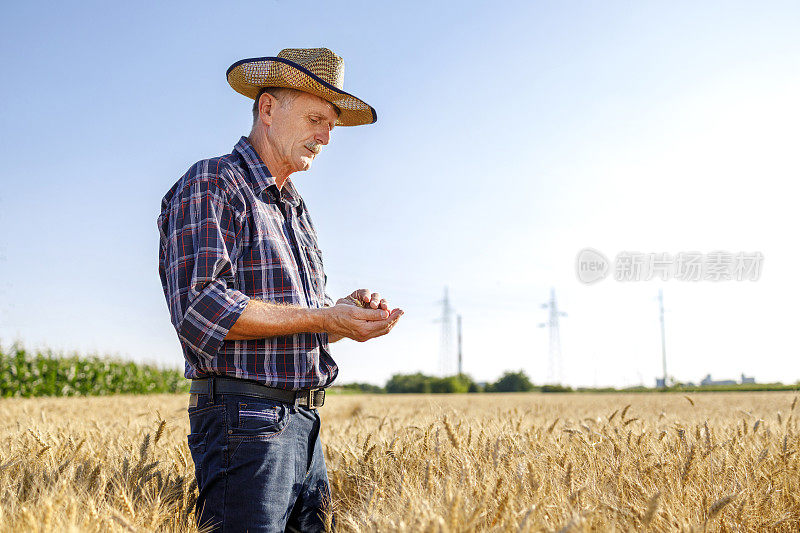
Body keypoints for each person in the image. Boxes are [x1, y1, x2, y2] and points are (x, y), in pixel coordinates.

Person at [157, 47, 403, 532]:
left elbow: (290, 325)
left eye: (332, 125)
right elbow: (203, 310)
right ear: (268, 109)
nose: (326, 137)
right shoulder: (214, 182)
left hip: (303, 423)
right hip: (247, 420)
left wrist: (342, 315)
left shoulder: (294, 207)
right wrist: (324, 318)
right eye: (316, 119)